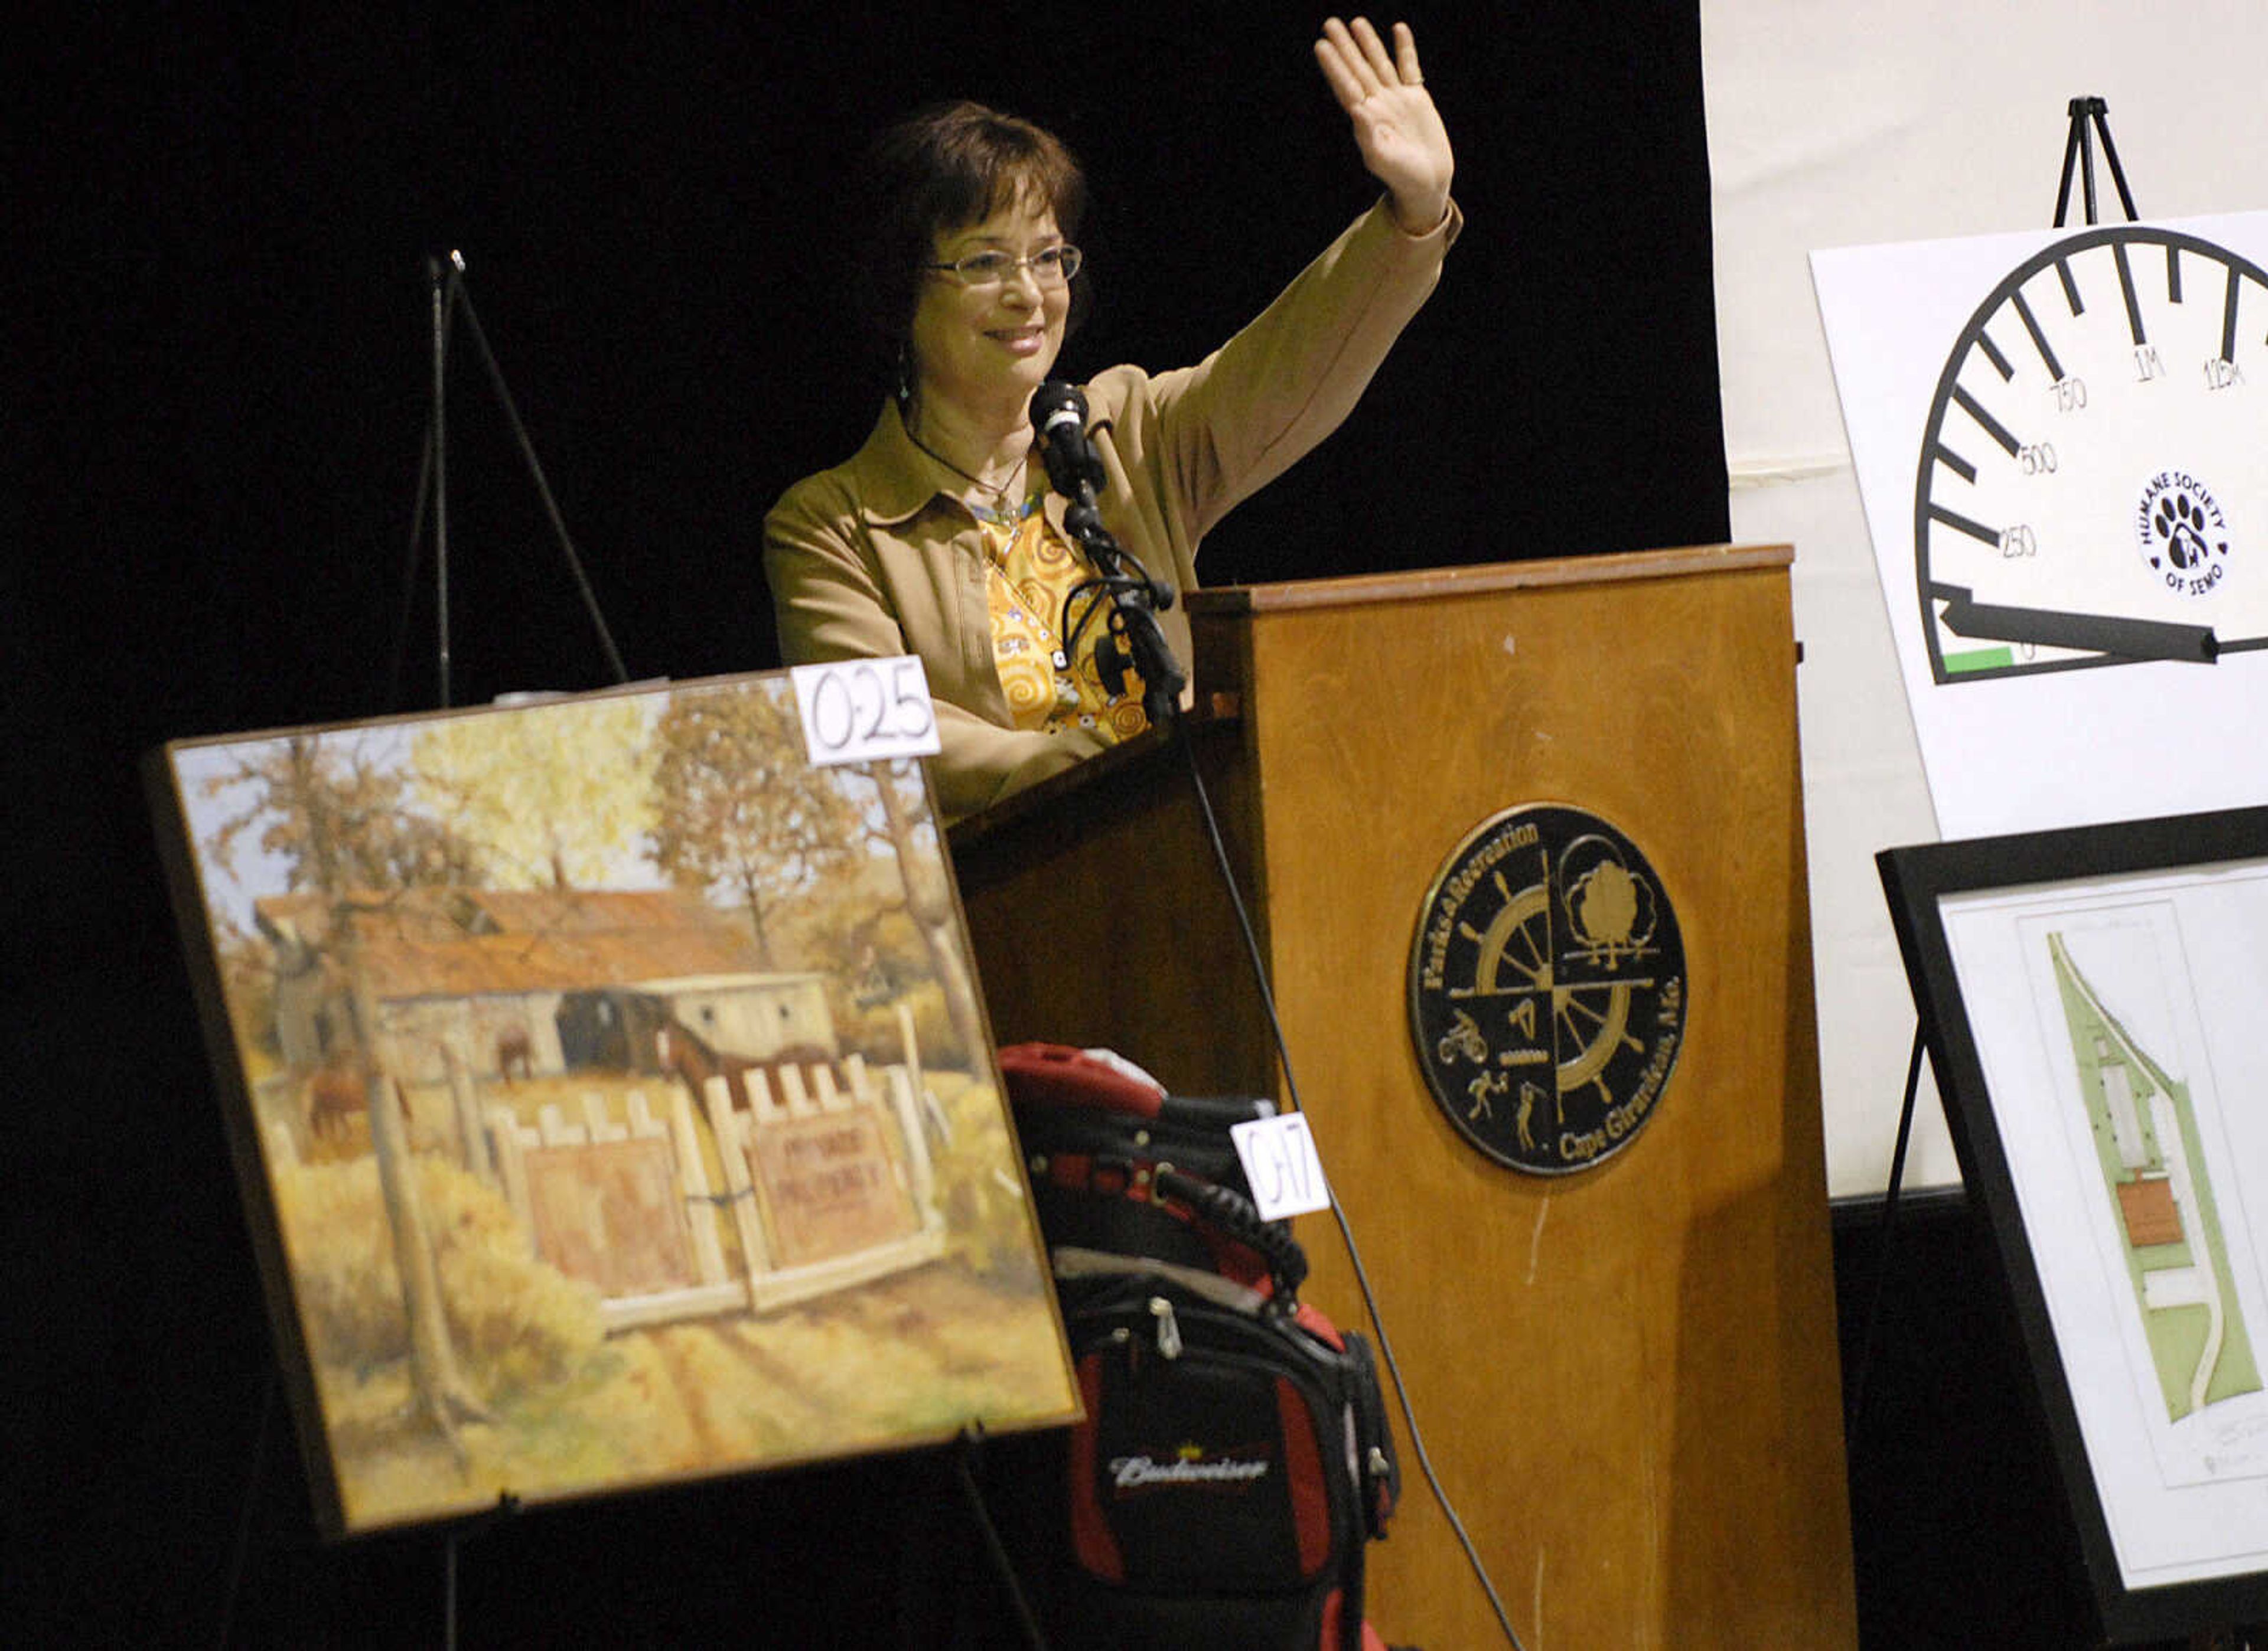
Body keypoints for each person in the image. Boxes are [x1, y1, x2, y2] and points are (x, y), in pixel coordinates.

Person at [764, 17, 1458, 823]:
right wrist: (1074, 763)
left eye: (1048, 256)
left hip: (1195, 866)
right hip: (1012, 913)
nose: (1030, 293)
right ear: (901, 287)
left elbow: (1291, 368)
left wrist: (1414, 212)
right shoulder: (832, 527)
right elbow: (873, 743)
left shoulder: (1123, 433)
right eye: (987, 261)